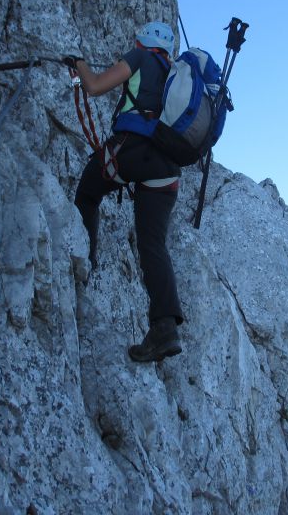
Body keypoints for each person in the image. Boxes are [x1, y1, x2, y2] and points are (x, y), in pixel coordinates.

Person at [64, 22, 184, 363]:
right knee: (153, 244)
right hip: (167, 168)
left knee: (88, 194)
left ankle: (83, 262)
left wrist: (79, 62)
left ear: (143, 41)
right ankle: (164, 327)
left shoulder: (141, 56)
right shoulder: (174, 75)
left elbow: (95, 85)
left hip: (133, 151)